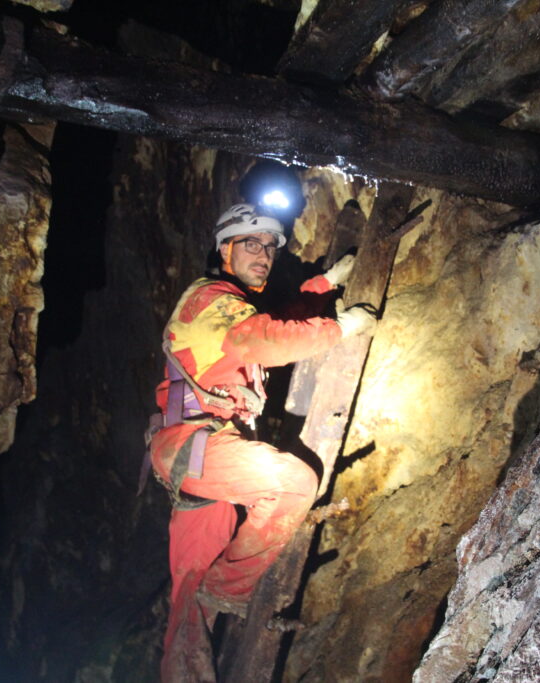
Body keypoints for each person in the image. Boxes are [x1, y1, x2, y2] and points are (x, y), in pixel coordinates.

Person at [145, 203, 376, 681]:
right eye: (251, 243)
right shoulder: (209, 297)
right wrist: (338, 329)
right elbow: (261, 340)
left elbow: (277, 321)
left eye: (270, 246)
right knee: (292, 484)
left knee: (188, 595)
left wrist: (325, 284)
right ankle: (228, 589)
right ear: (224, 249)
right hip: (193, 442)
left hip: (198, 454)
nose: (264, 253)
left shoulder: (237, 306)